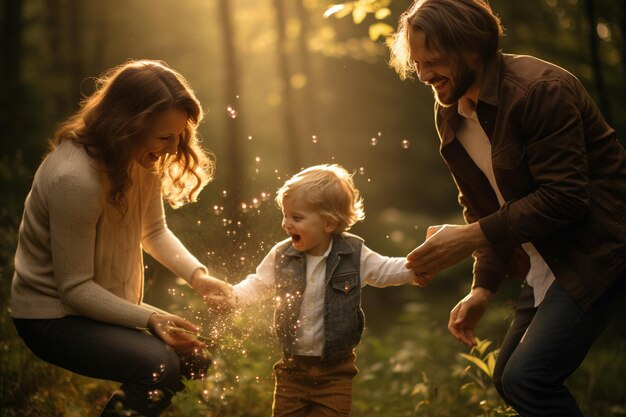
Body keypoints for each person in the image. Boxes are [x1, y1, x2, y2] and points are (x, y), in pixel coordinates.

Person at [387, 1, 626, 416]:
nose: (424, 76)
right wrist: (484, 286)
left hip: (597, 251)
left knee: (528, 379)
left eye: (435, 62)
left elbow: (566, 196)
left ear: (473, 48)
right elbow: (479, 205)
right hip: (543, 258)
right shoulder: (449, 112)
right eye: (418, 63)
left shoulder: (540, 90)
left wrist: (467, 239)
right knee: (507, 380)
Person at [10, 59, 232, 417]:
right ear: (128, 125)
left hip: (95, 303)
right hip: (52, 317)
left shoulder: (141, 158)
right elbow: (75, 288)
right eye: (165, 137)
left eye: (178, 136)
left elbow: (154, 231)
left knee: (194, 359)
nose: (173, 148)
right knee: (159, 365)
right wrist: (149, 319)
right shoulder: (75, 178)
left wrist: (199, 278)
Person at [204, 164, 424, 417]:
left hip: (335, 372)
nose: (287, 224)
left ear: (328, 223)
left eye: (297, 218)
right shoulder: (282, 255)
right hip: (292, 370)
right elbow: (259, 283)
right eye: (285, 215)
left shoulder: (353, 255)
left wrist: (418, 268)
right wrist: (234, 296)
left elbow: (385, 270)